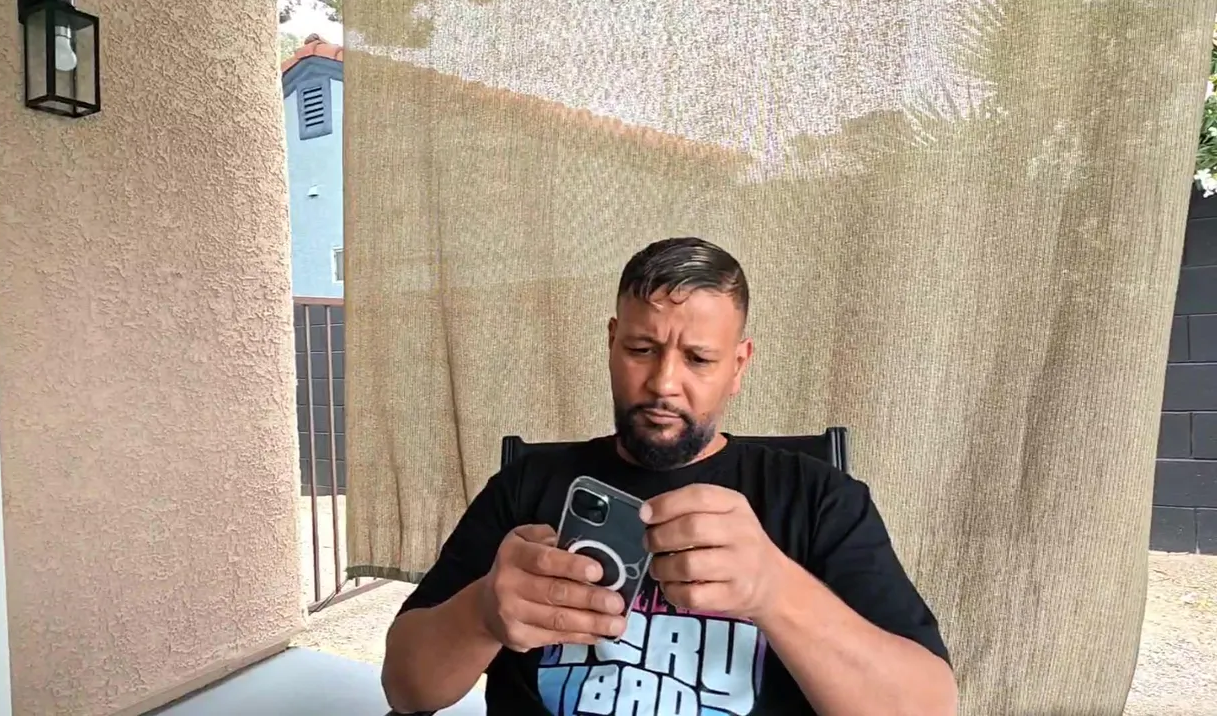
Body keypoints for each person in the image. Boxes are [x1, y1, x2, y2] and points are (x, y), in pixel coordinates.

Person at [381, 237, 957, 716]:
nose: (663, 384)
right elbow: (406, 689)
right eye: (641, 349)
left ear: (739, 366)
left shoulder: (818, 499)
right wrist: (483, 612)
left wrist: (776, 591)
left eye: (699, 359)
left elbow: (928, 706)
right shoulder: (527, 486)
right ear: (611, 343)